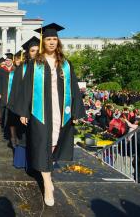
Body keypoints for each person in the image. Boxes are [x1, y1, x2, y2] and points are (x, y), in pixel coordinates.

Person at [14, 23, 85, 206]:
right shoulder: (35, 63)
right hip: (41, 110)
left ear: (57, 41)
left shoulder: (66, 64)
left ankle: (47, 176)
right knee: (41, 143)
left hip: (61, 109)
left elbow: (74, 88)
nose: (52, 42)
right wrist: (23, 111)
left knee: (55, 143)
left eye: (54, 39)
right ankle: (47, 183)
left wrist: (76, 110)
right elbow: (26, 88)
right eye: (48, 39)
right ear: (43, 41)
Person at [8, 36, 40, 168]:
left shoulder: (45, 67)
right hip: (25, 108)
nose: (36, 53)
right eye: (33, 50)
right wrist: (21, 111)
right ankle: (23, 162)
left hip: (41, 108)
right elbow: (16, 91)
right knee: (25, 136)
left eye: (38, 50)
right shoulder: (22, 69)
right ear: (28, 52)